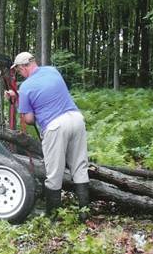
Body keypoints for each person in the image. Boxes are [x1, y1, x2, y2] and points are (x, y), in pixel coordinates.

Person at [6, 52, 90, 221]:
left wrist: (17, 101)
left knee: (54, 173)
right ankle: (84, 213)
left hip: (55, 126)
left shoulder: (26, 87)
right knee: (80, 167)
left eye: (19, 70)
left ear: (23, 66)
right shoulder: (52, 71)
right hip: (76, 118)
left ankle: (54, 216)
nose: (20, 74)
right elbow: (47, 92)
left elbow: (29, 119)